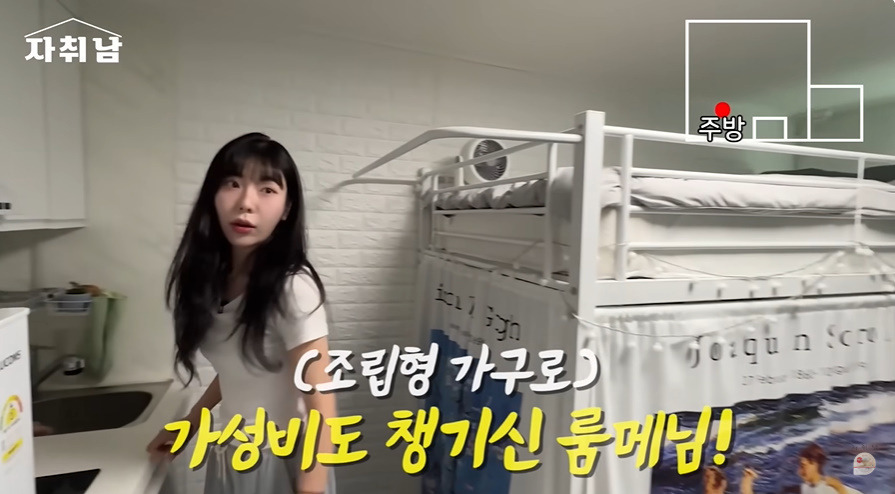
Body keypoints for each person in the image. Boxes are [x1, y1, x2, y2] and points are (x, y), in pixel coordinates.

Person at [145, 132, 337, 494]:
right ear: (212, 196)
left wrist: (311, 488)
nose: (246, 203)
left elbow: (322, 409)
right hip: (235, 451)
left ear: (287, 209)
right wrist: (188, 426)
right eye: (233, 183)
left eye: (267, 189)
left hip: (284, 458)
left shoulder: (292, 287)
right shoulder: (214, 281)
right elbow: (241, 369)